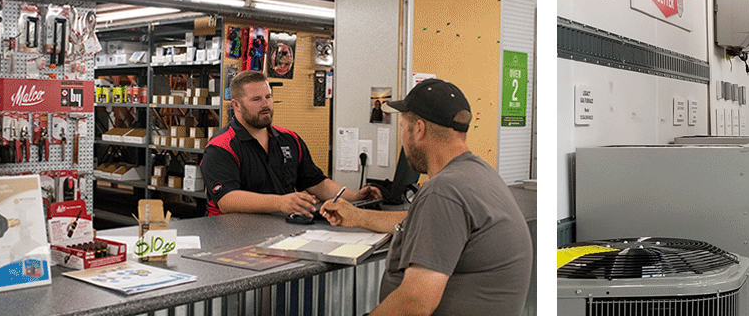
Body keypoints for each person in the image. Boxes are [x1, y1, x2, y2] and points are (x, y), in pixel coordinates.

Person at [318, 79, 530, 316]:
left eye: (402, 128)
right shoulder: (478, 174)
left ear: (419, 129)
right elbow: (422, 222)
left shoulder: (444, 191)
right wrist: (359, 216)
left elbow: (415, 303)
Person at [200, 70, 377, 216]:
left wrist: (354, 196)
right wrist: (281, 202)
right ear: (236, 105)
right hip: (231, 237)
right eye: (256, 99)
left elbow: (317, 183)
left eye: (268, 97)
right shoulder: (221, 146)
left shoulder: (289, 139)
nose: (266, 104)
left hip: (282, 230)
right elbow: (227, 200)